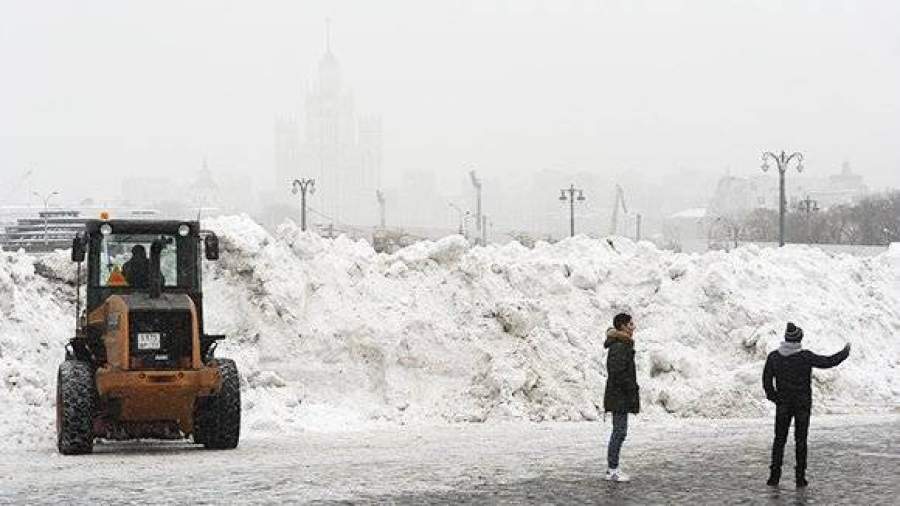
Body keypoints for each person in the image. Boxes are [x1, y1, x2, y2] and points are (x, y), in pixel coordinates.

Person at [763, 322, 850, 488]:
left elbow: (767, 380)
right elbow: (827, 362)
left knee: (779, 440)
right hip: (802, 404)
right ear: (798, 339)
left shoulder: (774, 357)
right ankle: (800, 477)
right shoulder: (805, 357)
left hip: (783, 404)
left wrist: (774, 397)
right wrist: (844, 354)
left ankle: (774, 477)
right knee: (801, 441)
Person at [604, 312, 640, 482]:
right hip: (619, 396)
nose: (634, 327)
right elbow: (617, 373)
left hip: (620, 395)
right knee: (619, 432)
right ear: (623, 326)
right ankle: (612, 469)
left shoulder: (623, 345)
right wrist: (630, 388)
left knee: (620, 432)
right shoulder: (619, 347)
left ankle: (613, 468)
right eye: (631, 324)